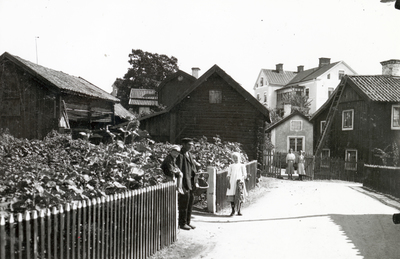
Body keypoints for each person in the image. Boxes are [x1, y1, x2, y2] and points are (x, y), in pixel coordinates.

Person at [175, 138, 198, 230]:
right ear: (183, 145)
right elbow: (179, 170)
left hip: (191, 182)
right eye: (189, 144)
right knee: (184, 203)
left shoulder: (189, 154)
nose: (191, 146)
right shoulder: (180, 155)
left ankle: (188, 221)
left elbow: (193, 167)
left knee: (190, 202)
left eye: (192, 145)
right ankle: (182, 223)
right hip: (184, 182)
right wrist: (181, 184)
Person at [226, 152, 247, 216]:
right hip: (232, 183)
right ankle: (233, 210)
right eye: (234, 158)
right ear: (232, 159)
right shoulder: (231, 166)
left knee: (239, 196)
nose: (235, 159)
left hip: (239, 182)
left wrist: (241, 179)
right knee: (232, 196)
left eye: (236, 158)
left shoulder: (242, 166)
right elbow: (228, 174)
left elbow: (245, 175)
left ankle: (239, 210)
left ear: (239, 158)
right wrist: (228, 177)